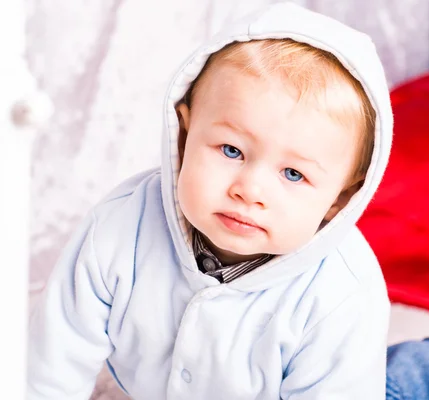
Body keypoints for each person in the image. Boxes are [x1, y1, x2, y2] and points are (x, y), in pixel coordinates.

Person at [28, 3, 393, 399]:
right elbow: (51, 363)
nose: (249, 190)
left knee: (411, 382)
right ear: (184, 136)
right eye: (231, 150)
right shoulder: (121, 226)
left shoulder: (343, 293)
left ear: (339, 200)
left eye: (293, 174)